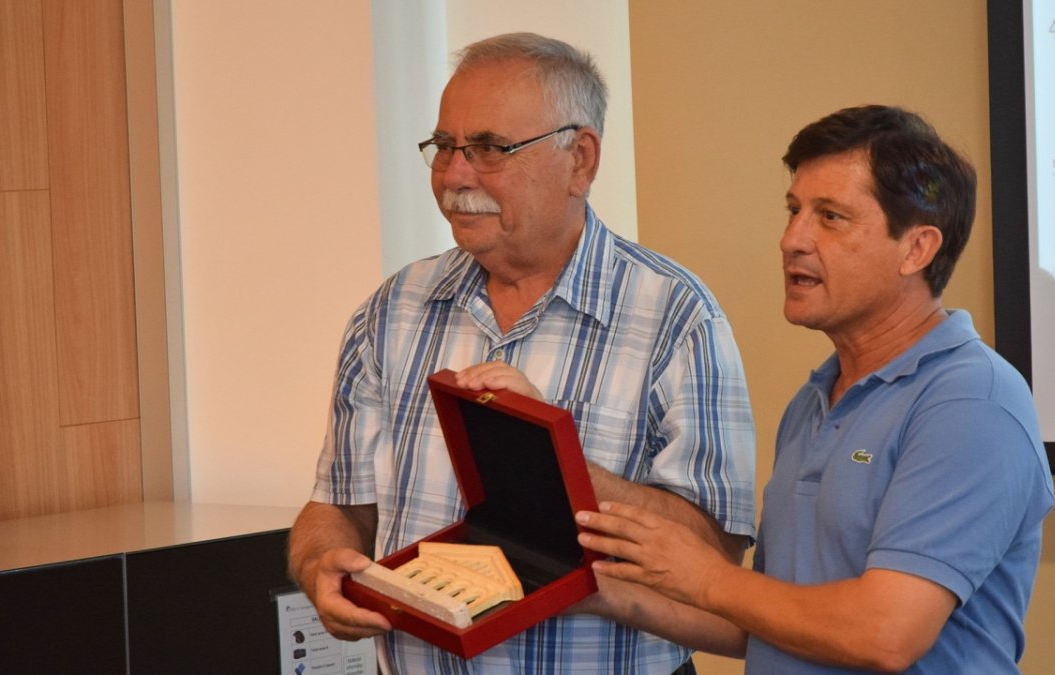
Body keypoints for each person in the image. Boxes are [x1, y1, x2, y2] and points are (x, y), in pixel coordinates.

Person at [286, 32, 757, 674]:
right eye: (444, 147)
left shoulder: (677, 317)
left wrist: (547, 451)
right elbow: (339, 502)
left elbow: (714, 557)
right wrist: (322, 567)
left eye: (488, 149)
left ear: (581, 160)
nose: (454, 175)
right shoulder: (393, 309)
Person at [575, 105, 1055, 673]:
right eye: (794, 210)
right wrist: (588, 589)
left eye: (830, 217)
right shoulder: (815, 400)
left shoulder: (972, 403)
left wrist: (704, 575)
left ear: (916, 249)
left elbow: (884, 633)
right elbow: (765, 618)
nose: (792, 240)